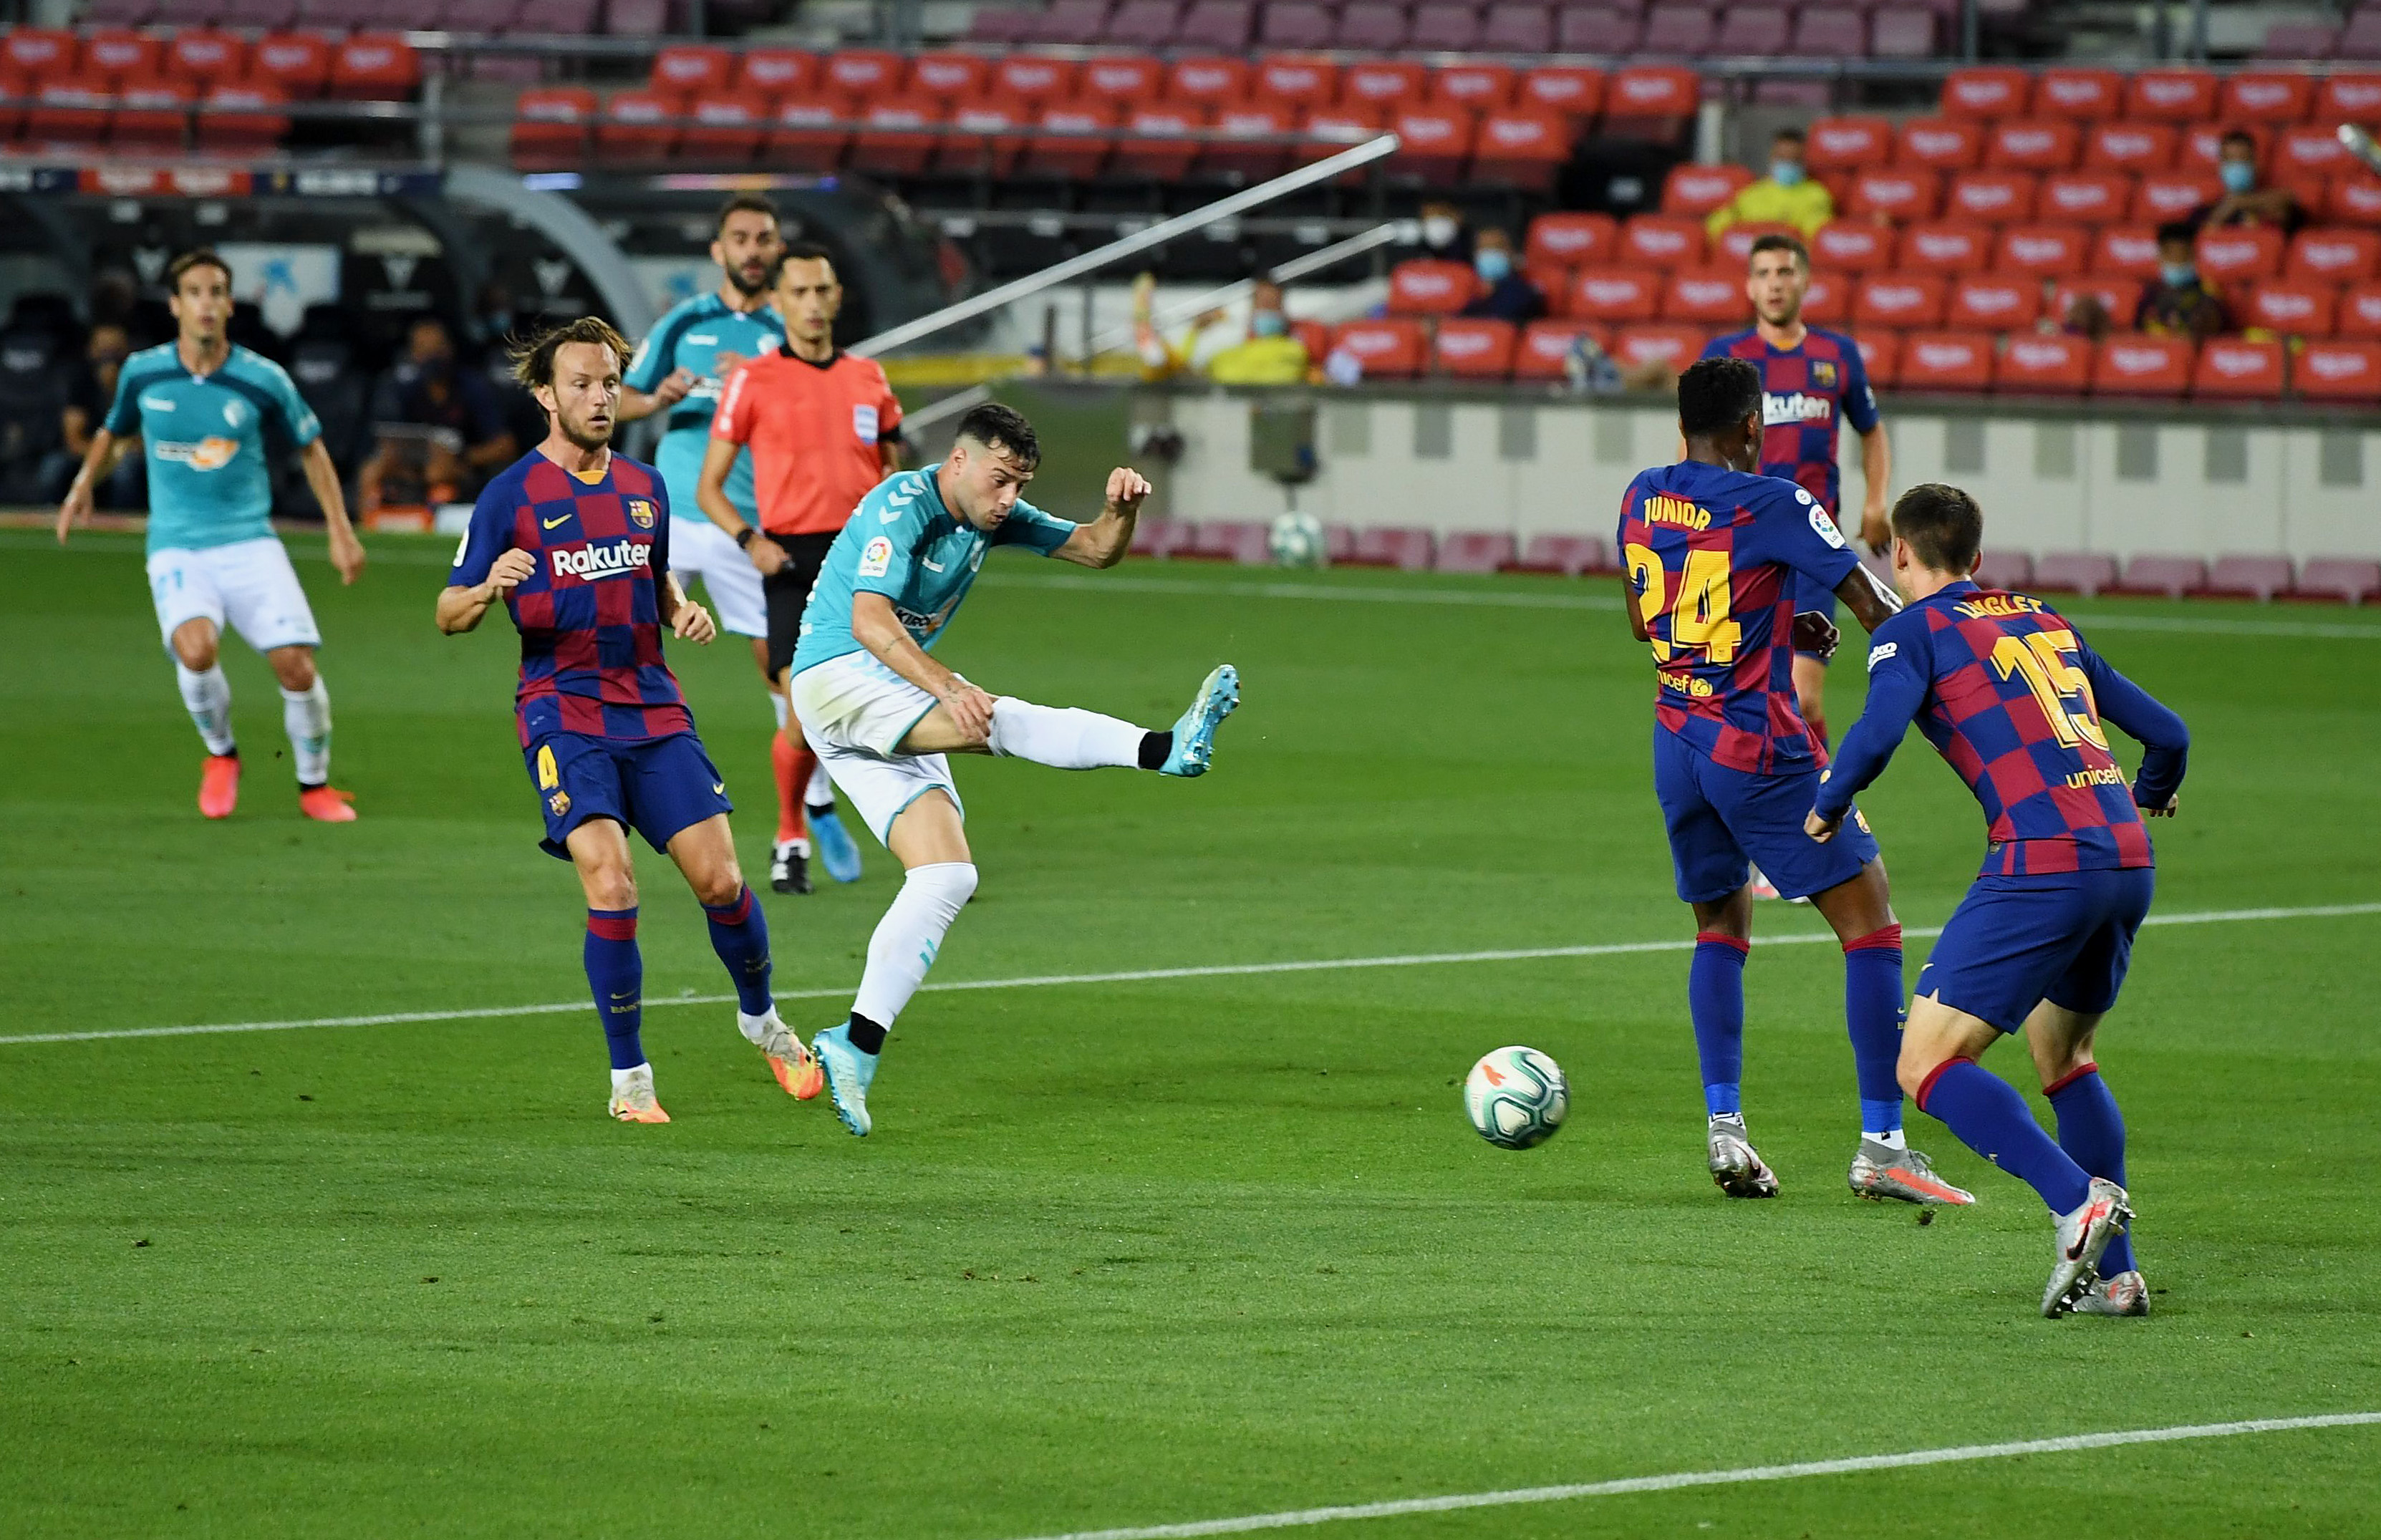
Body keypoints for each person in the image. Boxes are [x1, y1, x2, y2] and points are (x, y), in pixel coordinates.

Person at [786, 402, 1240, 1137]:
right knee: (988, 719)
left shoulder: (991, 514)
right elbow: (869, 620)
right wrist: (946, 685)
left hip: (886, 697)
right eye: (1000, 480)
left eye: (1020, 484)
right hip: (839, 675)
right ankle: (1163, 748)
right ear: (958, 461)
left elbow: (1095, 549)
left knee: (946, 877)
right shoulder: (902, 503)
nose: (1008, 500)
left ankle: (853, 1046)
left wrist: (1117, 510)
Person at [1807, 483, 2189, 1317]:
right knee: (2066, 1057)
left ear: (1898, 553)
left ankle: (2075, 1201)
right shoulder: (2045, 619)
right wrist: (2151, 792)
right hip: (2125, 855)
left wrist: (1826, 801)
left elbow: (1875, 734)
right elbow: (2168, 733)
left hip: (2040, 860)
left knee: (1926, 1063)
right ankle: (2116, 1277)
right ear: (1975, 559)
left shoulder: (1910, 632)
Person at [435, 316, 818, 1123]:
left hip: (651, 706)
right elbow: (447, 612)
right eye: (581, 383)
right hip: (563, 713)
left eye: (609, 381)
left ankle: (762, 1019)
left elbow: (655, 579)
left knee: (722, 880)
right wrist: (486, 588)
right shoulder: (510, 496)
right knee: (611, 883)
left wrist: (682, 611)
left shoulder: (646, 488)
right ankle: (630, 1078)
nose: (601, 396)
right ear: (545, 395)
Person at [1621, 357, 1969, 1208]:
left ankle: (1726, 1128)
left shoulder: (1640, 493)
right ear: (1751, 429)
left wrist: (1776, 618)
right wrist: (1968, 653)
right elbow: (1878, 607)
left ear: (1681, 427)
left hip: (1676, 738)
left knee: (1721, 927)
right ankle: (1883, 1145)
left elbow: (1647, 621)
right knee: (1871, 923)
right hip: (1756, 746)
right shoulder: (1777, 500)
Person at [54, 248, 364, 823]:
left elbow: (311, 447)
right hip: (177, 543)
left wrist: (340, 531)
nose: (207, 303)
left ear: (228, 305)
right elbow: (113, 431)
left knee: (295, 665)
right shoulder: (144, 371)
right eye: (195, 292)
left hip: (249, 540)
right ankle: (222, 756)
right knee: (195, 650)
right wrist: (81, 486)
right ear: (176, 305)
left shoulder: (262, 378)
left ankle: (314, 785)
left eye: (217, 292)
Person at [619, 195, 865, 895]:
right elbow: (625, 399)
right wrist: (659, 397)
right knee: (624, 640)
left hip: (748, 521)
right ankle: (621, 800)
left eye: (764, 238)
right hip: (669, 509)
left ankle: (812, 802)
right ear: (718, 251)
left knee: (783, 675)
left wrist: (757, 381)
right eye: (740, 238)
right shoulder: (684, 321)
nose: (753, 249)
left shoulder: (784, 329)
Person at [699, 242, 900, 896]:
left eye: (823, 290)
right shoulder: (752, 380)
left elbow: (893, 471)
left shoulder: (869, 377)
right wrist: (747, 538)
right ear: (779, 301)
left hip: (864, 559)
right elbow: (710, 486)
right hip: (790, 559)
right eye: (800, 293)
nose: (813, 304)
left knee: (891, 705)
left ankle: (921, 841)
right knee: (802, 712)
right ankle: (791, 833)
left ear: (837, 296)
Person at [1699, 233, 1891, 765]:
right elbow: (1695, 444)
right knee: (1739, 700)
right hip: (1740, 545)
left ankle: (1824, 810)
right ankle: (1765, 806)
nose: (1774, 284)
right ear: (1748, 287)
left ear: (1804, 280)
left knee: (1803, 698)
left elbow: (1871, 431)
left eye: (1783, 272)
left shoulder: (1837, 354)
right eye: (1762, 274)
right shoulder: (1726, 356)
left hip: (1811, 546)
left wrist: (1874, 503)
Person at [356, 316, 518, 513]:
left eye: (437, 348)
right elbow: (396, 436)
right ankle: (364, 534)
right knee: (370, 470)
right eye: (423, 350)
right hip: (417, 463)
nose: (431, 356)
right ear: (414, 354)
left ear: (450, 349)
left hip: (463, 467)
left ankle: (427, 528)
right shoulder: (408, 390)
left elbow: (505, 445)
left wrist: (462, 457)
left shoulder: (473, 388)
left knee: (438, 471)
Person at [48, 322, 133, 504]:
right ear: (91, 350)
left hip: (123, 454)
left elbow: (141, 436)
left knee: (126, 472)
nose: (109, 356)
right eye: (103, 349)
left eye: (115, 349)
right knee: (52, 469)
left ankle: (122, 526)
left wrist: (113, 389)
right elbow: (73, 439)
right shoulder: (80, 380)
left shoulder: (135, 380)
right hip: (87, 450)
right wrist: (99, 458)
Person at [1705, 129, 1834, 240]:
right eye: (1782, 158)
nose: (1787, 163)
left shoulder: (1817, 196)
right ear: (1772, 158)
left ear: (1804, 161)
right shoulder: (1752, 193)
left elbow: (1815, 236)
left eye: (1794, 159)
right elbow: (1718, 224)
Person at [2135, 222, 2231, 339]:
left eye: (2182, 255)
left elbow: (2221, 335)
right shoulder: (2150, 295)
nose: (2177, 261)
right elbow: (2138, 334)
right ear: (2160, 256)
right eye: (2171, 255)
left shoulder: (2207, 293)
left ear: (2193, 255)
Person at [2198, 129, 2304, 234]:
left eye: (2244, 159)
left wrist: (2238, 202)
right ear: (2219, 165)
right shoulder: (2202, 213)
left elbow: (2288, 200)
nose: (2237, 165)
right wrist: (2220, 216)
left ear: (2256, 163)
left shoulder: (2275, 209)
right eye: (2229, 159)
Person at [1204, 281, 1310, 385]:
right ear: (1252, 309)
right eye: (1263, 304)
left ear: (1282, 309)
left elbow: (1283, 378)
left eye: (1272, 304)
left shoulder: (1293, 351)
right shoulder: (1226, 354)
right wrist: (1195, 331)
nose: (1267, 311)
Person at [1459, 228, 1546, 324]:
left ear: (1511, 253)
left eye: (1496, 248)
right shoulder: (1473, 292)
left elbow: (1500, 322)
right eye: (1483, 248)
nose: (1489, 254)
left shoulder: (1523, 293)